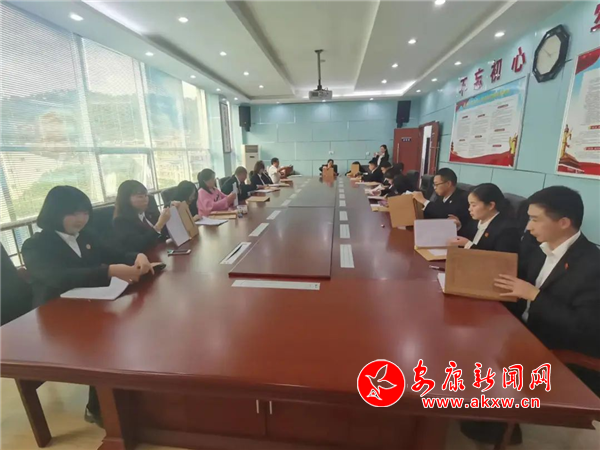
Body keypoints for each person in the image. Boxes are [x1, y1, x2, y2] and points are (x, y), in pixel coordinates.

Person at [21, 186, 156, 428]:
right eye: (73, 213)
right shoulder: (35, 245)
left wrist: (137, 256)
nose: (81, 219)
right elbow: (59, 278)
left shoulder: (85, 236)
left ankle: (125, 390)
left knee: (131, 323)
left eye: (84, 212)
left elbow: (115, 253)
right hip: (56, 315)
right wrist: (109, 271)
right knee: (103, 339)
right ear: (54, 212)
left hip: (89, 303)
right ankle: (98, 408)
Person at [495, 186, 600, 395]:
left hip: (556, 352)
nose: (528, 227)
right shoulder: (539, 248)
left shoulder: (592, 265)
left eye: (535, 219)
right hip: (520, 334)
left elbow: (585, 327)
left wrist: (534, 295)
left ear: (563, 223)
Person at [447, 183, 520, 253]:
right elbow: (465, 237)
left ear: (491, 205)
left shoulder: (508, 230)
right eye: (469, 205)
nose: (469, 209)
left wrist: (468, 245)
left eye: (474, 205)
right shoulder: (476, 220)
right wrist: (457, 227)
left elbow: (498, 258)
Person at [113, 180, 171, 253]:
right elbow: (138, 245)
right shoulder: (121, 220)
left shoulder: (149, 211)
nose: (145, 200)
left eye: (146, 196)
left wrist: (170, 209)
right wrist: (159, 225)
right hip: (144, 257)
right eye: (140, 197)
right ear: (126, 199)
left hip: (162, 251)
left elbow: (165, 233)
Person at [411, 168, 471, 234]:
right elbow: (433, 214)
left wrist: (423, 200)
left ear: (448, 183)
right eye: (434, 185)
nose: (434, 187)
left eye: (437, 184)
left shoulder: (462, 197)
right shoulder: (440, 197)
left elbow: (445, 214)